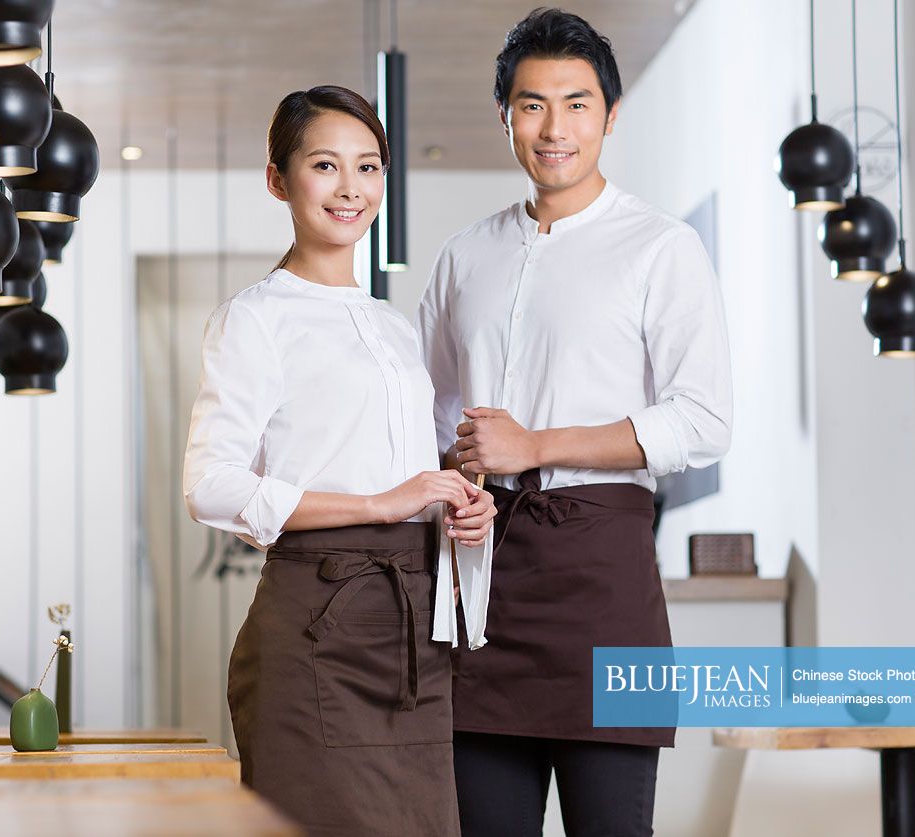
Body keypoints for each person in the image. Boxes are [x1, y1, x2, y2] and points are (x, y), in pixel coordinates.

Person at [417, 9, 733, 836]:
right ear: (505, 117)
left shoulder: (661, 249)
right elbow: (428, 414)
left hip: (606, 580)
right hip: (483, 587)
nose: (553, 128)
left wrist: (537, 445)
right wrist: (455, 478)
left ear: (610, 114)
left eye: (576, 103)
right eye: (531, 104)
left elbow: (703, 422)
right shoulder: (464, 257)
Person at [183, 85, 496, 837]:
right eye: (325, 165)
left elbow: (408, 471)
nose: (350, 188)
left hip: (416, 630)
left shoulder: (394, 327)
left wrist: (459, 503)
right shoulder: (255, 318)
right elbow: (209, 486)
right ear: (278, 179)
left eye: (368, 166)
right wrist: (379, 502)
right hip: (315, 627)